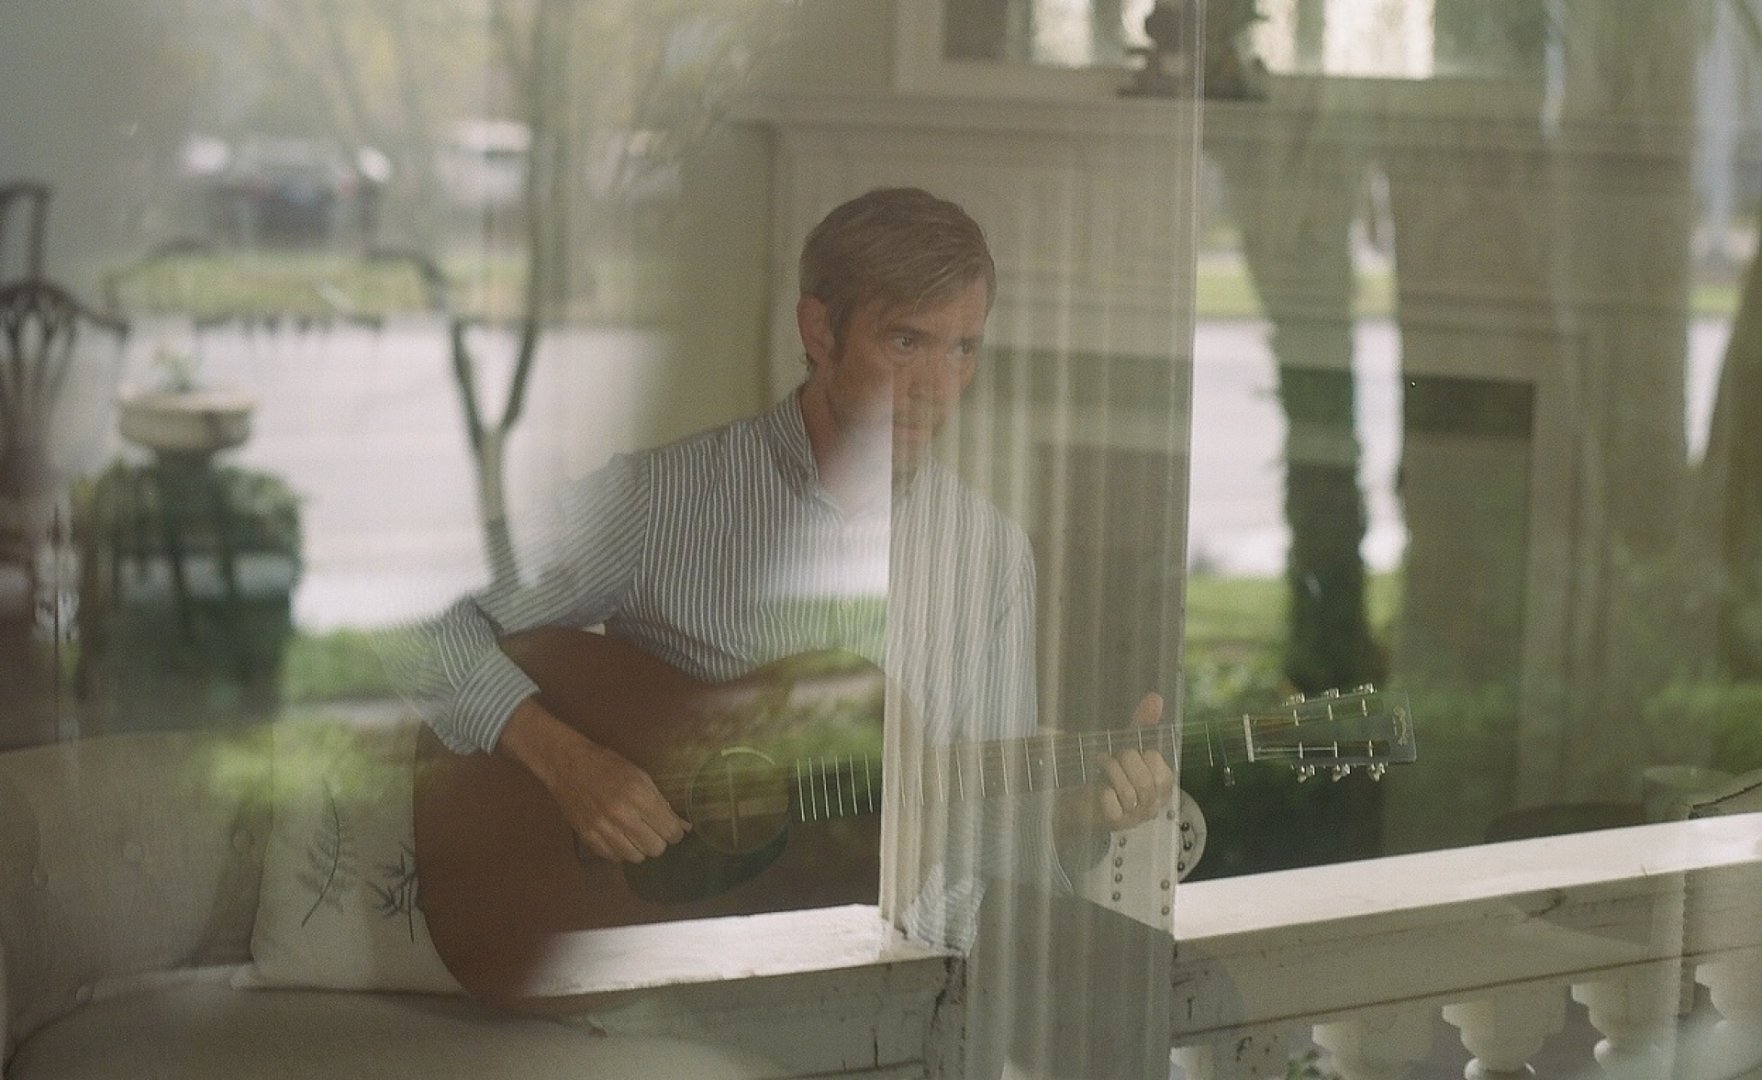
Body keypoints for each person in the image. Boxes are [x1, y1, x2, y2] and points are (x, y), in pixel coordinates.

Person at [393, 186, 1175, 1077]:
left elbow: (977, 823)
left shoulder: (991, 553)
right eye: (906, 341)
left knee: (1181, 993)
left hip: (922, 955)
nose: (937, 389)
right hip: (712, 962)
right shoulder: (663, 501)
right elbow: (419, 611)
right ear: (818, 330)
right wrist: (566, 760)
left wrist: (1073, 810)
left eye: (964, 350)